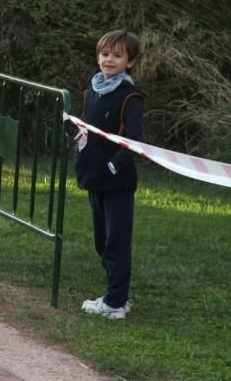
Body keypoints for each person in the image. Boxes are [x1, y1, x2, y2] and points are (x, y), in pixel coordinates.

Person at [74, 30, 143, 320]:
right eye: (105, 54)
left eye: (117, 55)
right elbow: (86, 132)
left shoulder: (130, 97)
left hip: (117, 182)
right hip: (94, 179)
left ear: (130, 61)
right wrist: (79, 157)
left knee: (116, 241)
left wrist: (114, 166)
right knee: (102, 241)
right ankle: (116, 295)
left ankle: (115, 303)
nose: (109, 60)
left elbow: (134, 140)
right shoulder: (91, 91)